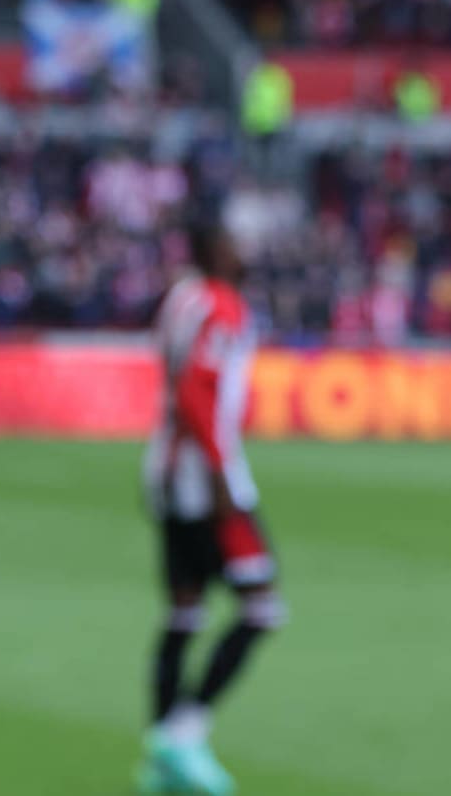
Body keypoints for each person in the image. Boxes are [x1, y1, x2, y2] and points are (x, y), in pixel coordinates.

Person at [137, 222, 286, 795]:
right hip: (207, 476)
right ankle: (184, 733)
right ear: (212, 250)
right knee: (261, 606)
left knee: (184, 613)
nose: (243, 250)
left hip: (166, 468)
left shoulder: (181, 297)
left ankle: (159, 759)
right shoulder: (221, 305)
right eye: (232, 242)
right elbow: (198, 390)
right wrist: (222, 471)